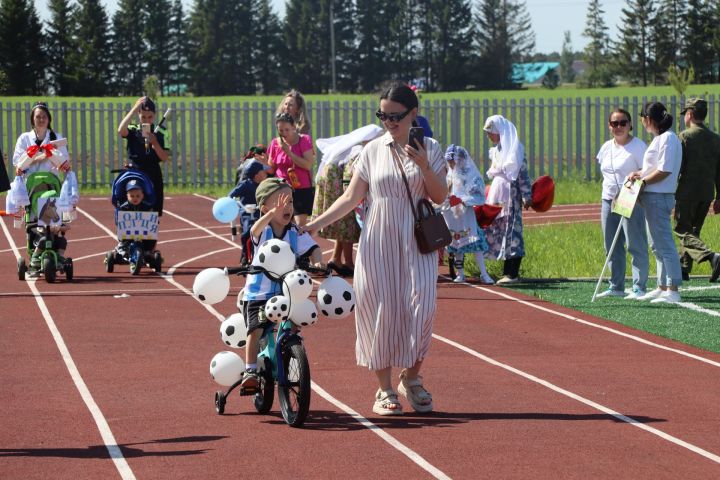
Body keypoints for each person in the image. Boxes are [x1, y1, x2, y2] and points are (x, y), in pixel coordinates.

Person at [304, 83, 448, 415]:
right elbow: (350, 198)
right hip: (378, 239)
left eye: (395, 116)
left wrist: (425, 165)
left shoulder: (431, 148)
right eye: (383, 115)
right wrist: (314, 224)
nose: (389, 122)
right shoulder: (371, 150)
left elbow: (440, 196)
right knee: (380, 310)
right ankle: (384, 389)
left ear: (414, 114)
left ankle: (411, 378)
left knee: (423, 307)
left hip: (416, 240)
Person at [239, 178, 322, 390]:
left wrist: (318, 261)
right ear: (265, 207)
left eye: (290, 202)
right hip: (260, 294)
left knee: (293, 326)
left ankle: (292, 351)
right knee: (256, 330)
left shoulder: (294, 232)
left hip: (287, 291)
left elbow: (312, 247)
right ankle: (250, 370)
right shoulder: (264, 231)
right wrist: (269, 214)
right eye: (280, 202)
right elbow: (253, 232)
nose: (287, 207)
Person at [628, 102, 683, 303]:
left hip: (659, 196)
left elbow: (664, 170)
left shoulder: (668, 138)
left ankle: (673, 289)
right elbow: (653, 168)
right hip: (653, 197)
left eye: (642, 118)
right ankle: (662, 286)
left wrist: (643, 180)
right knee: (656, 245)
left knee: (664, 243)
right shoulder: (660, 138)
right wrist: (639, 173)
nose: (641, 122)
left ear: (649, 119)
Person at [313, 124, 384, 277]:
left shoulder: (349, 148)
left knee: (343, 223)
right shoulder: (359, 152)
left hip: (333, 186)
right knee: (348, 223)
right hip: (341, 188)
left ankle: (337, 258)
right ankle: (349, 262)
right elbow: (350, 177)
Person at [12, 102, 73, 275]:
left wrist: (54, 158)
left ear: (48, 119)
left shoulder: (56, 137)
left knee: (54, 218)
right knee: (33, 222)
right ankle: (34, 254)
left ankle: (56, 252)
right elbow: (18, 161)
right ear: (33, 119)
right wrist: (40, 156)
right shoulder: (24, 138)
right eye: (38, 117)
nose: (41, 120)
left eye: (44, 117)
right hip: (30, 185)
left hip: (51, 183)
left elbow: (65, 162)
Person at [595, 109, 649, 299]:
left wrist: (634, 185)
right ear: (609, 126)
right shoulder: (606, 147)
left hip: (630, 197)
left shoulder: (639, 146)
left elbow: (647, 171)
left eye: (623, 123)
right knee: (611, 243)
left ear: (630, 125)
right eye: (614, 123)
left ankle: (639, 286)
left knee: (635, 242)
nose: (619, 127)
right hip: (608, 198)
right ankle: (616, 286)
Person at [482, 115, 532, 284]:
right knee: (500, 229)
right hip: (497, 194)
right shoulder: (496, 150)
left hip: (511, 194)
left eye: (491, 132)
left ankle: (513, 273)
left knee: (512, 231)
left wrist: (526, 194)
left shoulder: (515, 150)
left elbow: (522, 173)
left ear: (500, 131)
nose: (489, 135)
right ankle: (506, 271)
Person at [675, 98, 720, 282]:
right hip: (707, 192)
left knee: (682, 230)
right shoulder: (716, 139)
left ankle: (712, 257)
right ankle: (684, 268)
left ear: (690, 114)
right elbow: (719, 170)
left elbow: (678, 166)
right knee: (694, 231)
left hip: (687, 192)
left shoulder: (684, 137)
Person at [442, 144, 494, 284]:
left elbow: (478, 194)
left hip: (466, 215)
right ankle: (460, 273)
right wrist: (447, 200)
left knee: (475, 242)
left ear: (459, 159)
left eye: (452, 160)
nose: (450, 164)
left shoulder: (470, 175)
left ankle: (484, 273)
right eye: (449, 161)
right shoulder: (449, 174)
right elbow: (444, 192)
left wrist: (462, 200)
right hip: (453, 215)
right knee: (456, 243)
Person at [117, 96, 169, 216]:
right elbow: (121, 130)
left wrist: (155, 142)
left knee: (153, 214)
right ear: (139, 115)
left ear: (155, 115)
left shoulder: (162, 132)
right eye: (143, 116)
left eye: (150, 117)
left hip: (153, 173)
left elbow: (164, 157)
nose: (146, 120)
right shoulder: (133, 129)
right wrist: (134, 109)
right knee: (131, 212)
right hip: (135, 172)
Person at [266, 112, 316, 226]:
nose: (284, 133)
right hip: (281, 189)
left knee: (299, 225)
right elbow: (271, 169)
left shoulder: (304, 140)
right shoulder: (275, 143)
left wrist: (289, 153)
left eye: (287, 130)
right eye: (281, 130)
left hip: (301, 188)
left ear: (294, 127)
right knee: (282, 224)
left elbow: (308, 165)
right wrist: (263, 164)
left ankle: (299, 244)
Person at [229, 160, 269, 265]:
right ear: (256, 175)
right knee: (247, 233)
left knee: (267, 232)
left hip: (260, 213)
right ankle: (244, 255)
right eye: (263, 172)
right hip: (247, 213)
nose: (266, 173)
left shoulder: (264, 185)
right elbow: (231, 195)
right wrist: (232, 203)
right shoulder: (245, 184)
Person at [116, 179, 157, 255]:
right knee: (124, 236)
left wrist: (154, 220)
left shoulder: (146, 206)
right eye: (132, 196)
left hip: (143, 230)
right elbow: (119, 219)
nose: (135, 198)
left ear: (142, 196)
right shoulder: (123, 207)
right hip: (128, 230)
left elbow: (151, 217)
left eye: (138, 196)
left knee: (151, 238)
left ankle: (148, 250)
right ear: (127, 196)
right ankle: (123, 246)